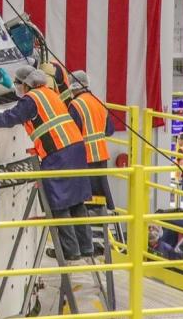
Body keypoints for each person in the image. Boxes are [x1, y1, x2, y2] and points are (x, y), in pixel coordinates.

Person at [0, 68, 94, 260]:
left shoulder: (31, 99)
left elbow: (14, 116)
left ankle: (70, 251)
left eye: (17, 84)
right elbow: (30, 107)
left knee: (58, 203)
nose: (16, 87)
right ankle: (86, 247)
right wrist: (10, 87)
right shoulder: (48, 92)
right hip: (75, 148)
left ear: (25, 84)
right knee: (77, 201)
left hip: (59, 153)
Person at [62, 70, 115, 255]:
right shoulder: (98, 101)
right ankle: (98, 243)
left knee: (80, 201)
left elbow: (71, 134)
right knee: (98, 200)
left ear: (73, 86)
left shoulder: (75, 105)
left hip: (85, 158)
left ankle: (84, 245)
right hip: (101, 156)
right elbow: (110, 130)